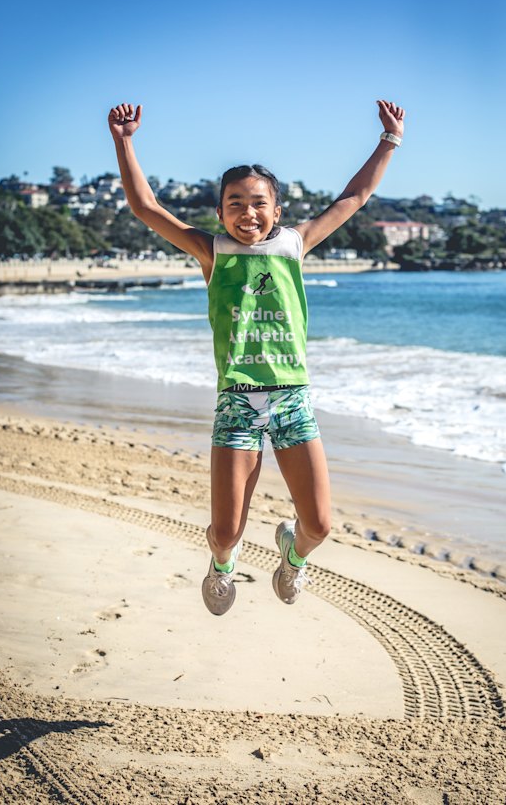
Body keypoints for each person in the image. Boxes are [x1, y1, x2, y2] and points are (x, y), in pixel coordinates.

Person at [108, 99, 405, 615]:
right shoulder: (212, 252)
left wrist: (390, 140)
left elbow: (354, 197)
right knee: (226, 531)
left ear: (277, 211)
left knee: (319, 525)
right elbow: (146, 208)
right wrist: (124, 141)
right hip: (238, 403)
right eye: (236, 203)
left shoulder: (294, 244)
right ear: (220, 213)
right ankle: (222, 565)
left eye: (258, 203)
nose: (248, 213)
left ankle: (293, 555)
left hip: (292, 400)